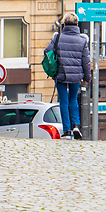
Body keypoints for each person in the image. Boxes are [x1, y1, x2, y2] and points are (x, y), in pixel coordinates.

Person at [44, 11, 91, 139]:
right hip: (76, 76)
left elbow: (47, 51)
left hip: (61, 74)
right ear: (77, 24)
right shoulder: (82, 40)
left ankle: (67, 130)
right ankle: (76, 125)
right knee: (73, 99)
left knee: (63, 101)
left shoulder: (57, 38)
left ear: (64, 25)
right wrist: (87, 78)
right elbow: (86, 61)